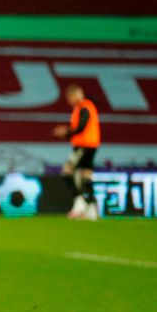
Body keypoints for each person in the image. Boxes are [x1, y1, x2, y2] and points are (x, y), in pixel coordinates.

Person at [53, 84, 100, 220]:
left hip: (83, 146)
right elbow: (80, 128)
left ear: (74, 95)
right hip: (92, 145)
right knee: (86, 176)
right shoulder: (87, 106)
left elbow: (81, 126)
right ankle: (91, 208)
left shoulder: (83, 106)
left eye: (70, 98)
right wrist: (68, 134)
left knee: (67, 171)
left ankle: (79, 202)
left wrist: (66, 131)